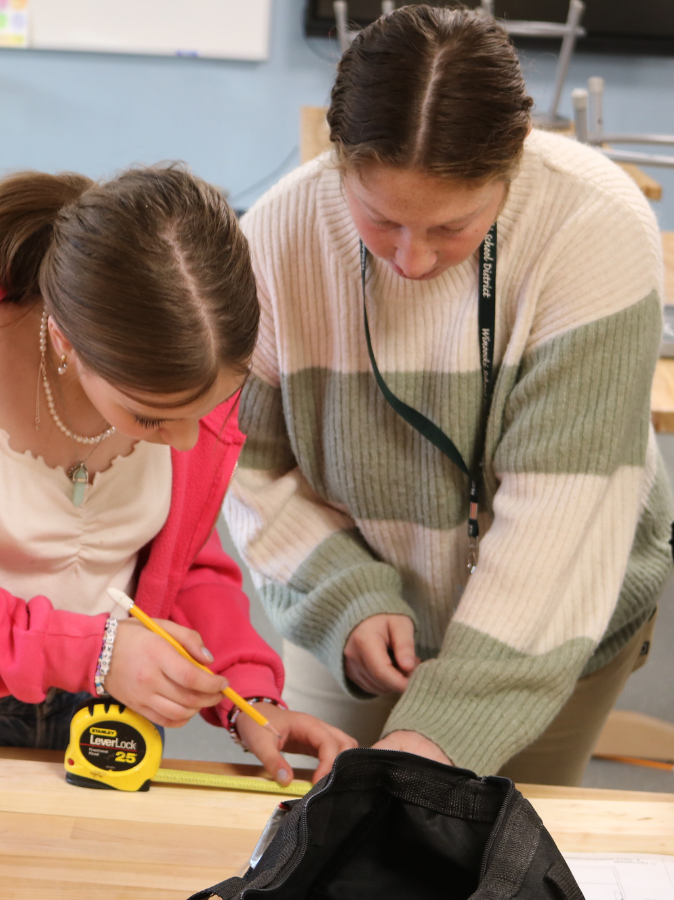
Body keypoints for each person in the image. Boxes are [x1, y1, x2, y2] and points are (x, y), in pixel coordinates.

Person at [0, 166, 355, 786]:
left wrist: (249, 698)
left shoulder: (187, 384)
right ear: (64, 341)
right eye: (149, 417)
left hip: (104, 723)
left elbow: (181, 568)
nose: (188, 440)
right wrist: (91, 651)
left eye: (204, 410)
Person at [224, 5, 673, 785]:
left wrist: (442, 731)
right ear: (339, 161)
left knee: (503, 852)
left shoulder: (595, 228)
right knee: (315, 842)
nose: (413, 260)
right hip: (356, 631)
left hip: (551, 635)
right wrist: (345, 595)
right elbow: (244, 467)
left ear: (513, 167)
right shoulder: (275, 236)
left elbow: (562, 520)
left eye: (453, 228)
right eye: (381, 219)